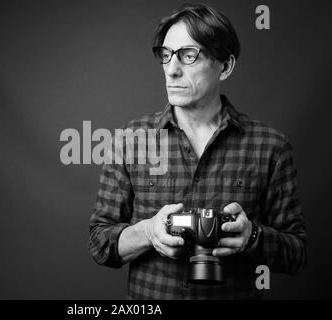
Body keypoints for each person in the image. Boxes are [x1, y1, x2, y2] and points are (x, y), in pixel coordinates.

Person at [88, 3, 306, 299]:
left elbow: (297, 253)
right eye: (166, 55)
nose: (172, 70)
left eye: (189, 55)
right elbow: (100, 244)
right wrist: (149, 232)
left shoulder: (270, 146)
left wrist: (252, 237)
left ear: (225, 65)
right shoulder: (131, 140)